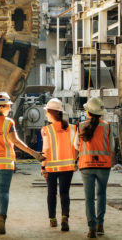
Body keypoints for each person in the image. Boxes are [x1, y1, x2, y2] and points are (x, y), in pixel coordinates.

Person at [0, 92, 45, 234]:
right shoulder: (8, 123)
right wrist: (34, 154)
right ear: (1, 106)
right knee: (3, 191)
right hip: (5, 163)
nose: (10, 108)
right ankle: (2, 219)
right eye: (8, 106)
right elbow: (16, 141)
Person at [76, 97, 114, 238]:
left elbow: (76, 145)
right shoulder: (107, 126)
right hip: (104, 165)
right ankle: (100, 225)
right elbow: (112, 146)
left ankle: (91, 228)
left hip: (86, 165)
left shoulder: (80, 126)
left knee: (89, 198)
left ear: (88, 112)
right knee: (101, 195)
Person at [40, 98, 77, 232]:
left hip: (51, 167)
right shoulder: (72, 128)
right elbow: (77, 147)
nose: (45, 115)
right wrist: (75, 161)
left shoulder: (46, 130)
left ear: (51, 113)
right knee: (64, 193)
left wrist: (43, 167)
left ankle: (53, 219)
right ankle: (64, 218)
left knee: (51, 193)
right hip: (68, 167)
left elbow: (46, 149)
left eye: (47, 112)